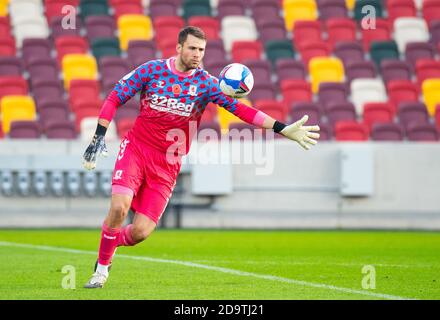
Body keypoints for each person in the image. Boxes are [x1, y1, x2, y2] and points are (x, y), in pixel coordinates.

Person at [82, 26, 320, 288]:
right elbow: (114, 98)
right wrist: (98, 136)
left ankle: (110, 241)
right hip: (136, 149)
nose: (197, 54)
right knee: (119, 208)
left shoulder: (206, 84)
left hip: (168, 163)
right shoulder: (151, 70)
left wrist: (283, 128)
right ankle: (102, 269)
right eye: (193, 48)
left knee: (140, 232)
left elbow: (242, 111)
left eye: (201, 50)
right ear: (179, 47)